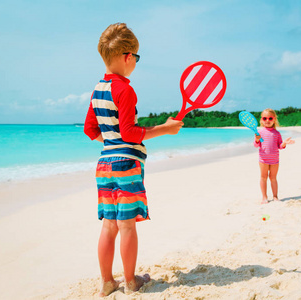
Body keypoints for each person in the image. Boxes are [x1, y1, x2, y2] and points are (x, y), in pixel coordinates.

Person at [84, 23, 184, 297]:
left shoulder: (97, 90)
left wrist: (112, 143)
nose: (135, 63)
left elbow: (90, 130)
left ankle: (107, 281)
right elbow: (129, 132)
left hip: (104, 165)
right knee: (127, 226)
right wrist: (165, 128)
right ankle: (130, 281)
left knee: (109, 225)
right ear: (128, 57)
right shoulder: (125, 90)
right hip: (127, 165)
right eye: (136, 58)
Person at [254, 108, 294, 204]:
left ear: (274, 119)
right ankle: (264, 197)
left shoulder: (277, 133)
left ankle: (275, 197)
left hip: (275, 160)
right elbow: (256, 145)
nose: (267, 120)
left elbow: (279, 146)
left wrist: (284, 143)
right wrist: (256, 139)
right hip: (263, 159)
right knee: (263, 177)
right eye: (265, 118)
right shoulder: (259, 133)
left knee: (273, 178)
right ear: (261, 120)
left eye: (270, 118)